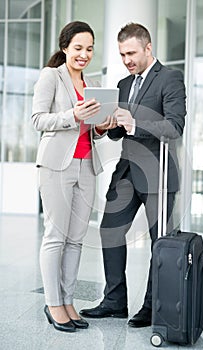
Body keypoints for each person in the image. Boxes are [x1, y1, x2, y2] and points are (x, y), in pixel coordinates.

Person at [80, 22, 186, 328]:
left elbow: (174, 127)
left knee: (159, 243)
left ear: (147, 47)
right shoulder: (124, 84)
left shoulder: (170, 78)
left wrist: (135, 123)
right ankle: (114, 301)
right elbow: (117, 132)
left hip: (158, 173)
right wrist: (107, 123)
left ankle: (151, 307)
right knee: (109, 231)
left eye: (131, 53)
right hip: (127, 171)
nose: (126, 59)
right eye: (122, 54)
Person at [31, 21, 115, 333]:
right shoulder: (50, 76)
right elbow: (38, 119)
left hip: (86, 165)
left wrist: (101, 127)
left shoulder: (92, 83)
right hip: (56, 166)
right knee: (55, 236)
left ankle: (67, 300)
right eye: (78, 48)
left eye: (89, 48)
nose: (84, 54)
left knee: (76, 239)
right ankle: (53, 303)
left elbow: (91, 129)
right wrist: (72, 116)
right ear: (65, 46)